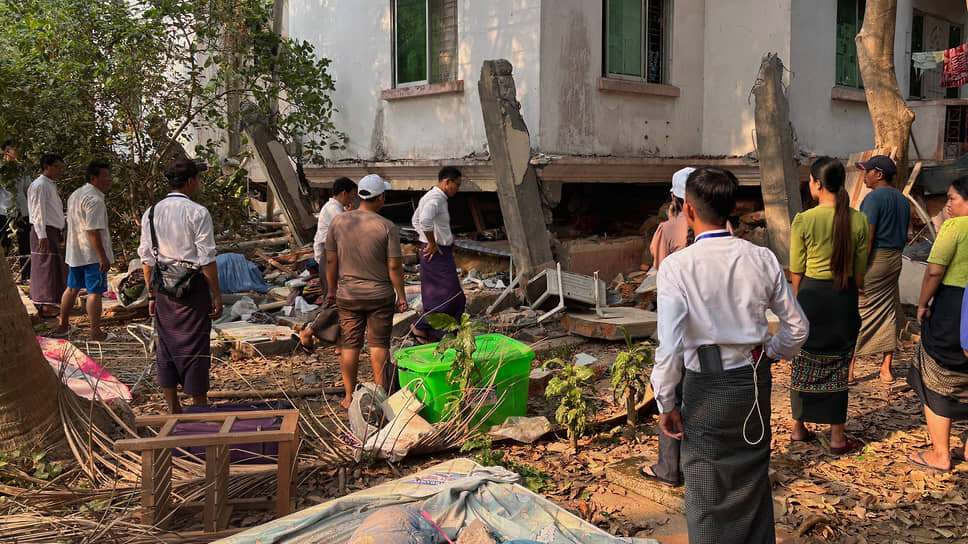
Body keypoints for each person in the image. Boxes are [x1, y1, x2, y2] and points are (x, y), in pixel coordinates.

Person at [652, 167, 808, 543]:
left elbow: (669, 347)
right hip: (753, 381)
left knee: (706, 491)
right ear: (730, 207)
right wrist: (769, 353)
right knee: (752, 479)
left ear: (688, 210)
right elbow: (797, 328)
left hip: (705, 386)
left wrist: (665, 401)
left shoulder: (677, 267)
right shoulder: (763, 258)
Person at [789, 157, 870, 455]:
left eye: (810, 181)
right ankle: (837, 437)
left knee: (804, 359)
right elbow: (860, 274)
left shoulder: (803, 220)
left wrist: (800, 304)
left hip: (811, 296)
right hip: (843, 296)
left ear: (818, 184)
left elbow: (796, 269)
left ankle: (799, 428)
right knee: (838, 362)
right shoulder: (858, 219)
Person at [138, 158, 222, 414]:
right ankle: (198, 408)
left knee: (166, 344)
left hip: (163, 288)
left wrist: (151, 294)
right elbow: (206, 259)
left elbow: (146, 259)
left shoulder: (151, 212)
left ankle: (173, 407)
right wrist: (216, 294)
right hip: (192, 287)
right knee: (196, 346)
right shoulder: (197, 212)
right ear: (189, 182)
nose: (199, 183)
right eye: (197, 178)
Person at [326, 174, 408, 409]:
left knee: (350, 345)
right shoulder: (387, 227)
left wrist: (332, 290)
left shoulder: (339, 222)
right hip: (379, 296)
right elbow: (394, 265)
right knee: (378, 345)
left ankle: (349, 397)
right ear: (381, 197)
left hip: (348, 295)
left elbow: (331, 261)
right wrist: (401, 296)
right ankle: (380, 397)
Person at [906, 177, 968, 472]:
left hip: (954, 308)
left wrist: (922, 305)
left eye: (953, 198)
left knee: (936, 371)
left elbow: (933, 271)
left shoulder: (955, 228)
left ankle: (940, 454)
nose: (948, 204)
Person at [640, 166, 695, 487]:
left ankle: (669, 467)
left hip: (677, 319)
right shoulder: (725, 228)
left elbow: (662, 271)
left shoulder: (668, 229)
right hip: (712, 327)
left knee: (671, 393)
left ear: (674, 197)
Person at [850, 155, 910, 384]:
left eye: (866, 171)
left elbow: (868, 236)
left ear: (879, 174)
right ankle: (886, 369)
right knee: (888, 311)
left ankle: (849, 370)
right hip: (895, 259)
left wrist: (858, 271)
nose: (864, 176)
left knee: (860, 311)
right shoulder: (903, 200)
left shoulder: (874, 198)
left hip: (876, 258)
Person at [54, 160, 114, 340]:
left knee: (71, 288)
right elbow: (93, 231)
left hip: (76, 252)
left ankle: (62, 325)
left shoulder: (76, 194)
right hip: (92, 255)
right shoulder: (95, 200)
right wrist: (102, 256)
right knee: (94, 292)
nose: (109, 180)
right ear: (93, 178)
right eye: (105, 177)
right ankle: (96, 331)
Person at [299, 176, 357, 352]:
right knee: (335, 301)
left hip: (334, 258)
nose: (353, 199)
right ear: (344, 193)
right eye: (352, 195)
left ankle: (340, 342)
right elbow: (348, 229)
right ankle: (309, 331)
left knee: (342, 302)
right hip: (330, 258)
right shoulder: (333, 209)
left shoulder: (337, 209)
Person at [411, 166, 465, 342]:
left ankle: (436, 333)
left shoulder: (431, 196)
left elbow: (415, 220)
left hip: (438, 251)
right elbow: (424, 220)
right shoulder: (435, 197)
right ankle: (421, 326)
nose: (457, 188)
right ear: (447, 181)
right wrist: (431, 242)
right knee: (452, 297)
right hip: (436, 253)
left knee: (439, 296)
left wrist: (429, 238)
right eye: (456, 184)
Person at [27, 153, 68, 318]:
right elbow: (38, 212)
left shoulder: (50, 185)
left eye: (61, 167)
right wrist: (42, 234)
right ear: (46, 167)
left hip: (52, 230)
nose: (59, 170)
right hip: (43, 231)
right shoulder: (40, 185)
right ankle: (44, 304)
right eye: (56, 166)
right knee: (45, 267)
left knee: (54, 266)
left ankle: (52, 301)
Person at [2, 142, 32, 280]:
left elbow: (27, 189)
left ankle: (26, 276)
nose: (18, 151)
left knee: (25, 244)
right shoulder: (1, 168)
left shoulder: (23, 168)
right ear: (6, 151)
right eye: (15, 148)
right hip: (4, 212)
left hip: (22, 211)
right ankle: (3, 277)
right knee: (4, 245)